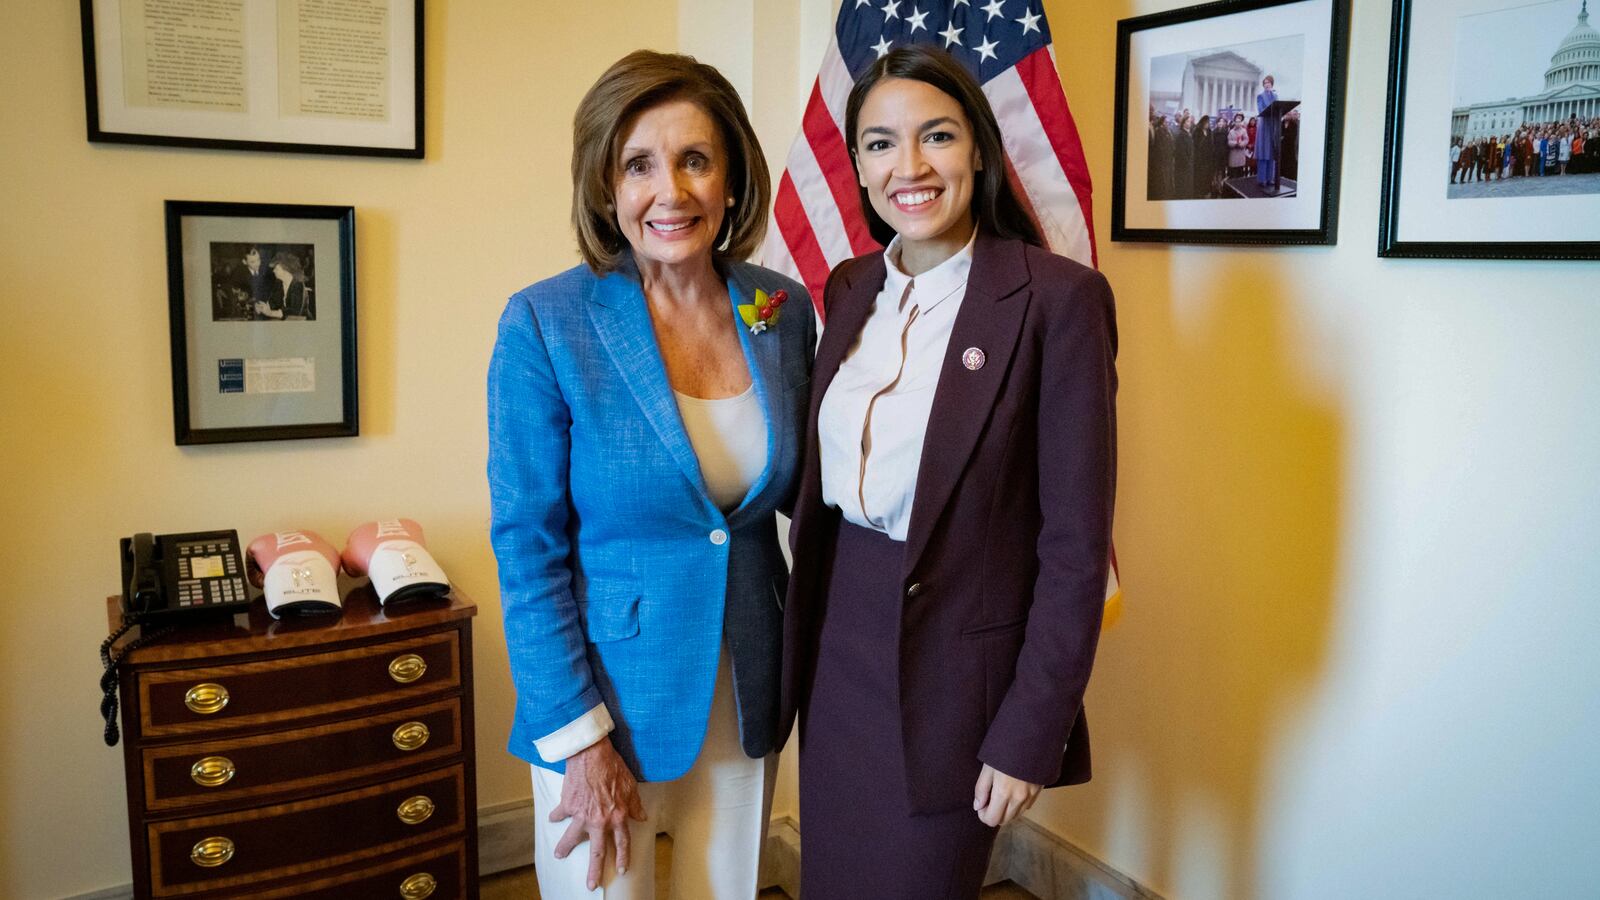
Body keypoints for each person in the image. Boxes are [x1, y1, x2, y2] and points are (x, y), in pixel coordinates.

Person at [780, 45, 1116, 900]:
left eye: (937, 136)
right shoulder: (851, 286)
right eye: (881, 144)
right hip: (835, 649)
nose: (911, 167)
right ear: (856, 163)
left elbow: (1076, 549)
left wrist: (1028, 731)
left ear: (978, 149)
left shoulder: (1056, 301)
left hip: (953, 687)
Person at [487, 50, 815, 899]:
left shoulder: (779, 311)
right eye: (639, 164)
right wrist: (580, 739)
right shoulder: (546, 322)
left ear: (732, 179)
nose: (670, 191)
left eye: (695, 160)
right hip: (607, 701)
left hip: (745, 681)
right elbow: (527, 549)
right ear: (606, 187)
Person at [268, 252, 313, 320]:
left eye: (276, 268)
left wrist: (270, 313)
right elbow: (273, 303)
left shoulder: (298, 285)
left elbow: (295, 312)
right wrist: (265, 306)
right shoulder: (279, 282)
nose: (273, 271)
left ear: (286, 269)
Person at [1255, 75, 1281, 191]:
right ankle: (1262, 179)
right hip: (1264, 125)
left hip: (1273, 126)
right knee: (1264, 152)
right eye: (1265, 83)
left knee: (1271, 152)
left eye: (1269, 82)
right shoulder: (1260, 96)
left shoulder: (1275, 96)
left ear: (1272, 84)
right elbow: (1260, 110)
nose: (1267, 84)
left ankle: (1270, 178)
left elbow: (1279, 109)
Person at [1228, 113, 1250, 183]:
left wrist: (1241, 144)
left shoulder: (1244, 131)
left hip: (1240, 154)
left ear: (1241, 123)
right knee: (1233, 173)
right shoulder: (1231, 131)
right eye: (1236, 122)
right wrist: (1236, 143)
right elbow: (1229, 142)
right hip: (1233, 155)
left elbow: (1246, 140)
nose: (1238, 123)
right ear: (1234, 122)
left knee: (1240, 173)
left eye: (1239, 122)